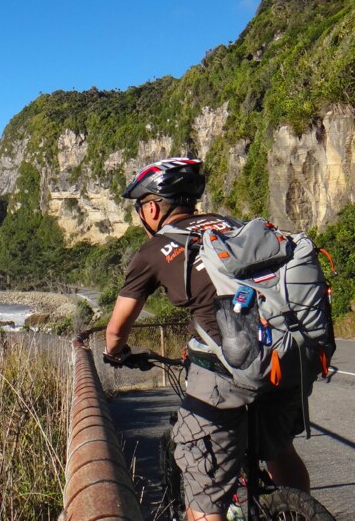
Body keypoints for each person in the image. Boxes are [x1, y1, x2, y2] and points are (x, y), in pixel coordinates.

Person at [103, 157, 310, 521]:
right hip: (284, 355)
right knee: (280, 452)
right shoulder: (232, 225)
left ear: (151, 207)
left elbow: (117, 328)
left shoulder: (154, 251)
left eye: (140, 208)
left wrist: (114, 353)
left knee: (204, 491)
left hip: (228, 373)